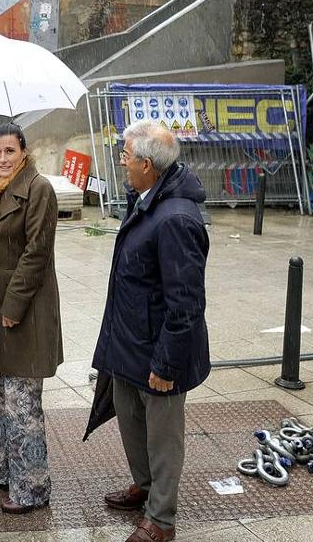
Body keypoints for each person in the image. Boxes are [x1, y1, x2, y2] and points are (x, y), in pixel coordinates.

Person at [93, 120, 210, 542]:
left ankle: (160, 519)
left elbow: (186, 305)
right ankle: (143, 487)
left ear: (147, 164)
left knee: (163, 440)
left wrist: (166, 364)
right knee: (130, 421)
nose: (121, 161)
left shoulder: (176, 219)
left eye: (126, 155)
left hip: (159, 351)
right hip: (129, 345)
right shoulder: (145, 198)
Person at [0, 123, 63, 514]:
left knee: (23, 405)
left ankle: (33, 487)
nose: (2, 159)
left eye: (9, 151)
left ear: (24, 151)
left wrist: (13, 307)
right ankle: (7, 470)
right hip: (1, 311)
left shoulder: (39, 190)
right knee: (2, 398)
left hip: (25, 312)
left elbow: (36, 252)